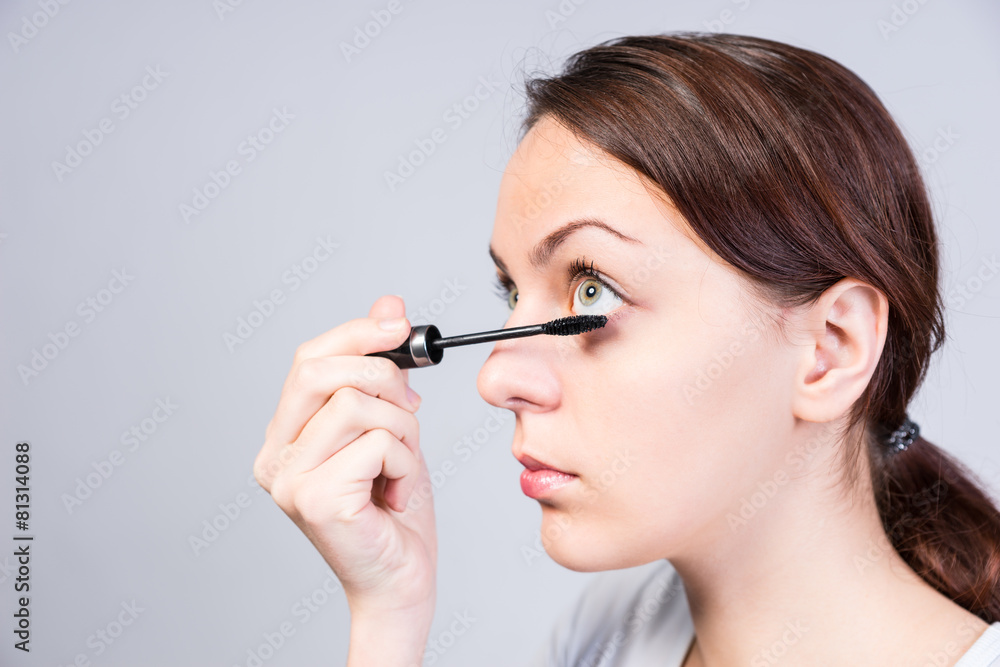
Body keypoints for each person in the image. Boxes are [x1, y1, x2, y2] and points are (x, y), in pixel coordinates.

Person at [252, 32, 1000, 666]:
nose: (498, 377)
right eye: (512, 292)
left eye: (591, 292)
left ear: (830, 349)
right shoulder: (615, 634)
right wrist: (389, 611)